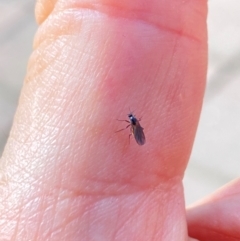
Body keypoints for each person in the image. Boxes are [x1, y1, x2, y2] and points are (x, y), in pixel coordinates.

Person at [0, 0, 239, 240]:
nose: (131, 118)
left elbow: (136, 128)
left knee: (131, 135)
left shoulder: (134, 124)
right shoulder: (135, 122)